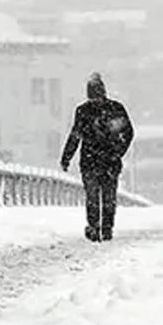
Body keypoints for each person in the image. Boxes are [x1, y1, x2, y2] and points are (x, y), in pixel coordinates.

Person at [60, 72, 134, 242]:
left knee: (93, 196)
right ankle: (106, 228)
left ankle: (94, 227)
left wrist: (67, 157)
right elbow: (128, 132)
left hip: (90, 160)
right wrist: (118, 151)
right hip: (110, 161)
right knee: (109, 196)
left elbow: (75, 136)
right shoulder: (116, 109)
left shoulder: (83, 111)